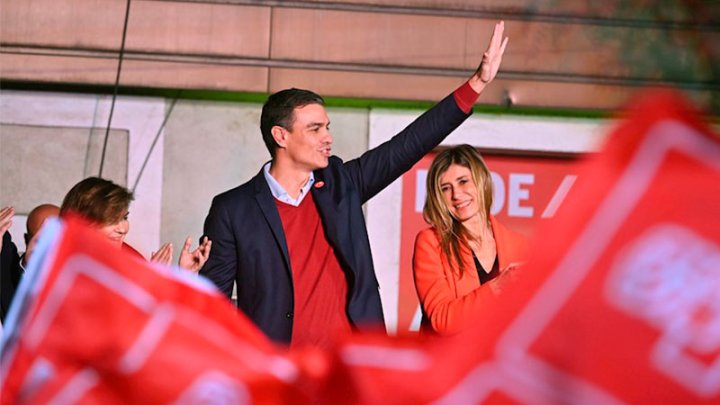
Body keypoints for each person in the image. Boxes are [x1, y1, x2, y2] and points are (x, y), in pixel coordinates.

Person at [200, 21, 509, 347]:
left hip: (352, 368)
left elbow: (408, 145)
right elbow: (213, 306)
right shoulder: (232, 209)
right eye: (315, 129)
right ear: (281, 136)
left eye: (327, 127)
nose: (328, 138)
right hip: (279, 374)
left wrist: (477, 83)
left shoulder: (340, 183)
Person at [412, 145, 527, 336]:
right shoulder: (430, 242)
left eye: (463, 182)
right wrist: (498, 286)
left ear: (481, 181)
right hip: (448, 363)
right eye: (445, 189)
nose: (456, 195)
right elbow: (441, 319)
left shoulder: (520, 245)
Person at [60, 177, 212, 272]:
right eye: (112, 219)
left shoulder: (131, 258)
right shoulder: (60, 265)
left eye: (124, 217)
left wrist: (186, 274)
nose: (122, 228)